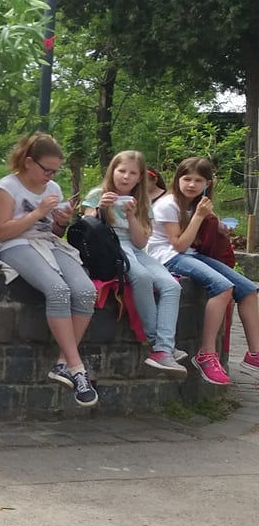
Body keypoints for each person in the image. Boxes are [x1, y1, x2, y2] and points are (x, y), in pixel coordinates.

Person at [0, 133, 100, 407]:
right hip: (15, 244)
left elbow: (54, 232)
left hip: (47, 243)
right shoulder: (6, 188)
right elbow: (3, 232)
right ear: (28, 162)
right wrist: (38, 212)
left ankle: (63, 364)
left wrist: (61, 221)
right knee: (58, 290)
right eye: (46, 170)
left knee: (86, 291)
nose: (50, 176)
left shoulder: (53, 188)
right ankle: (78, 369)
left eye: (55, 171)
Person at [147, 156, 259, 385]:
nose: (191, 184)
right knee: (222, 287)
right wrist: (199, 216)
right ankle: (206, 354)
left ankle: (254, 355)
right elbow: (178, 245)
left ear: (207, 184)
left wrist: (217, 226)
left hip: (189, 254)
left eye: (198, 180)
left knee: (248, 290)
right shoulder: (168, 204)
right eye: (186, 179)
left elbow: (194, 241)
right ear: (177, 179)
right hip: (166, 256)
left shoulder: (197, 204)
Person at [82, 151, 188, 377]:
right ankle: (159, 346)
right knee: (141, 276)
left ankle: (163, 347)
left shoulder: (142, 201)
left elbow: (140, 242)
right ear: (112, 171)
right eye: (121, 171)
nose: (126, 177)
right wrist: (101, 208)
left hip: (134, 248)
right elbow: (88, 228)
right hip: (110, 247)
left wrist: (131, 216)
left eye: (132, 173)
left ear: (140, 178)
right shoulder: (97, 194)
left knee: (172, 286)